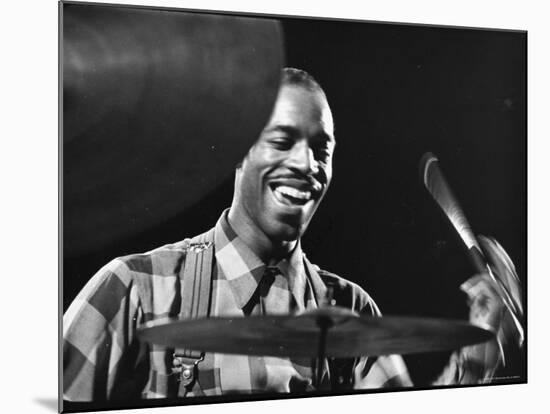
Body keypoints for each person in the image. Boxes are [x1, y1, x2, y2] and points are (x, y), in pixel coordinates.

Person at [63, 68, 523, 402]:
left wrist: (475, 364)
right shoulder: (133, 288)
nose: (306, 166)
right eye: (282, 141)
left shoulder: (352, 311)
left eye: (321, 149)